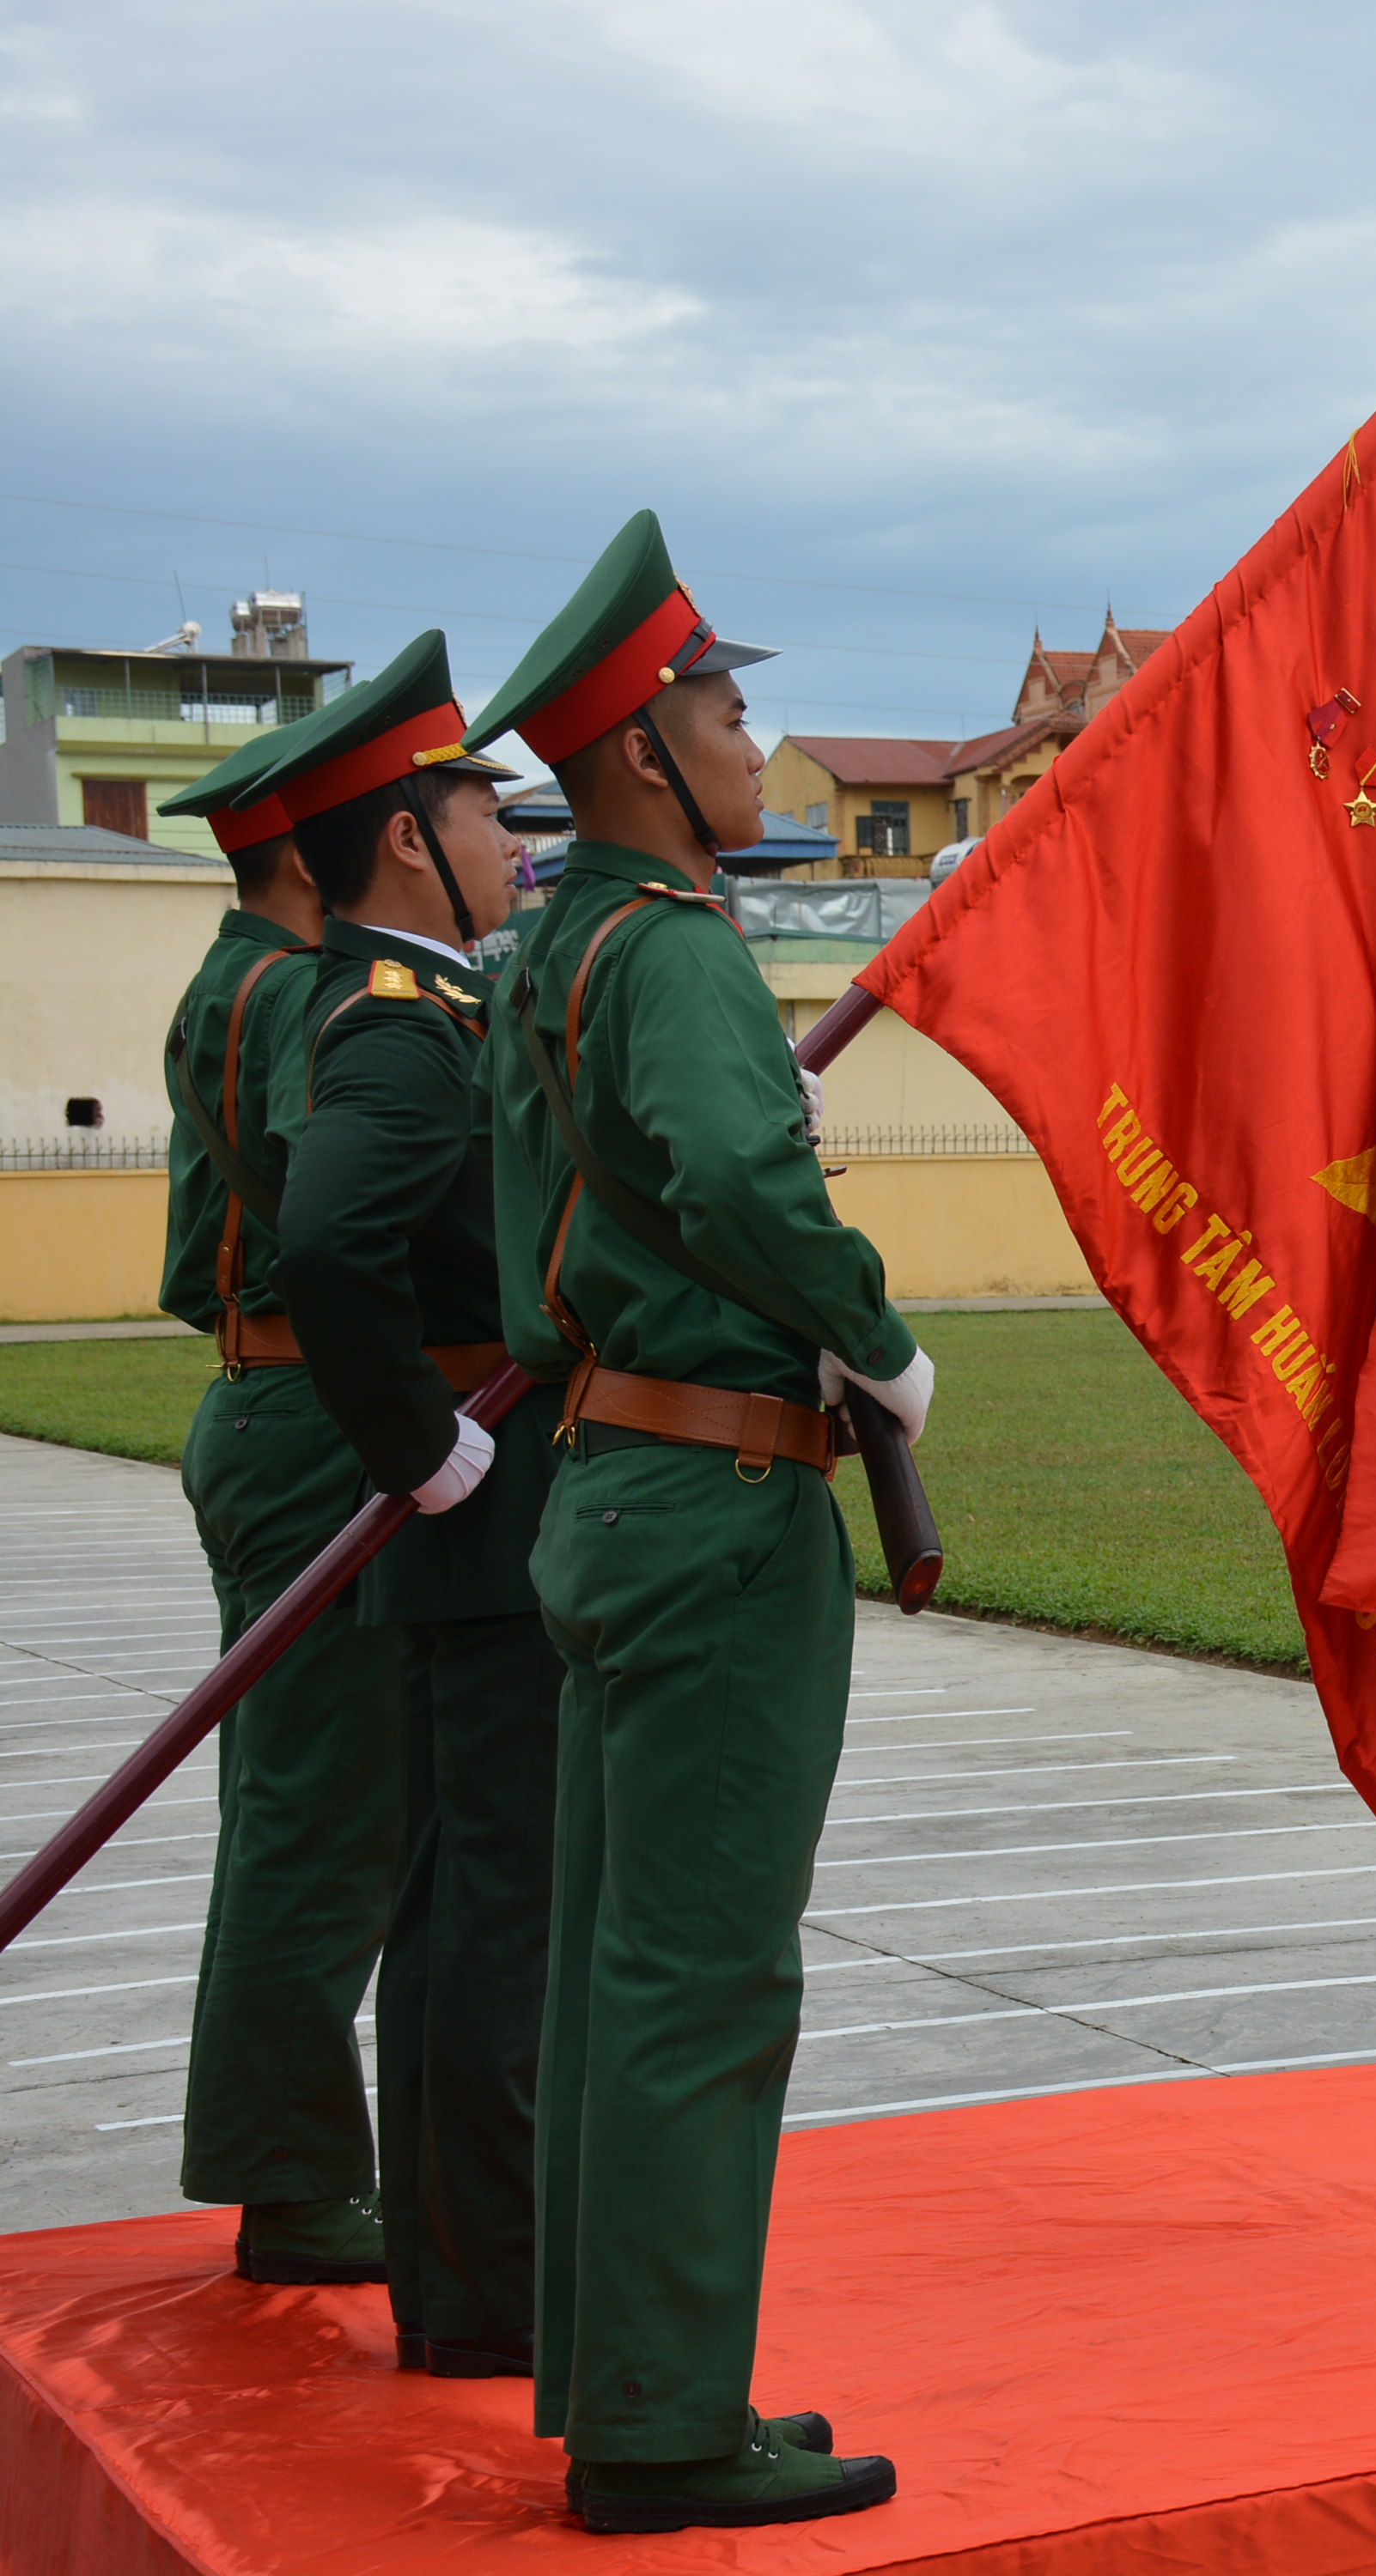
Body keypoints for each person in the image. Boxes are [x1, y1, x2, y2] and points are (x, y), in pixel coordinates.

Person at [467, 510, 912, 2531]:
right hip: (718, 1490)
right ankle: (659, 2426)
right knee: (701, 1973)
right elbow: (742, 1180)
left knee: (611, 1958)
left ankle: (623, 2380)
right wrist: (874, 1337)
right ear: (648, 747)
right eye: (730, 707)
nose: (754, 742)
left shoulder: (553, 945)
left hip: (611, 1473)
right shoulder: (669, 952)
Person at [247, 637, 564, 2383]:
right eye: (481, 813)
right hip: (489, 1505)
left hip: (481, 1497)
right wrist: (419, 1445)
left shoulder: (439, 1006)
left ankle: (466, 2280)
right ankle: (495, 2283)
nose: (514, 841)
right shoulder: (391, 1025)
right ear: (403, 845)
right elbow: (329, 1244)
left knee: (467, 1905)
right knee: (496, 1908)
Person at [150, 732, 409, 2292]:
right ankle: (297, 2184)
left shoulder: (231, 986)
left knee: (301, 1805)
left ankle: (286, 2163)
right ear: (314, 856)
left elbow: (200, 1264)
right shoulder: (298, 999)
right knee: (322, 1818)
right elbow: (349, 1230)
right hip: (320, 1417)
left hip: (268, 1401)